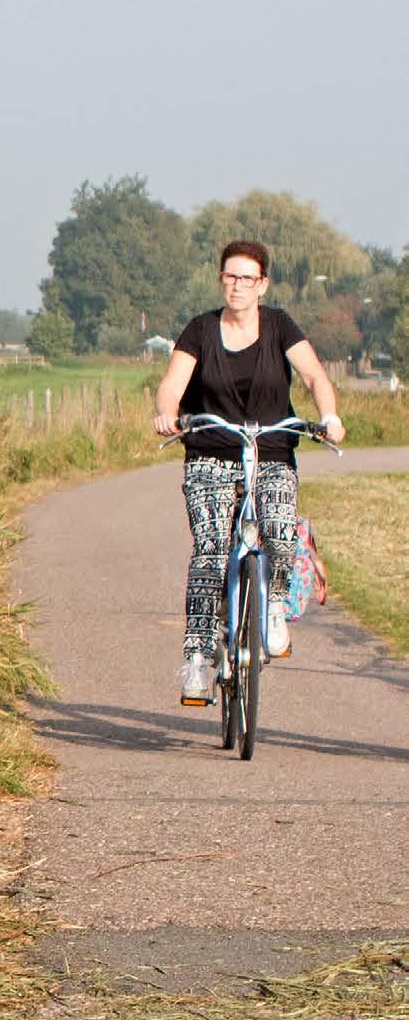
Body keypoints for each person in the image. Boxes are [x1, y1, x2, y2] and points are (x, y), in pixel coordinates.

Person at [154, 240, 345, 705]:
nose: (237, 286)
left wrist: (331, 416)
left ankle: (274, 604)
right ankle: (198, 660)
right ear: (221, 279)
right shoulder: (200, 330)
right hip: (209, 454)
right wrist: (167, 412)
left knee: (280, 532)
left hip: (272, 453)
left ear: (262, 283)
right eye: (229, 276)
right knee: (210, 554)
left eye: (247, 278)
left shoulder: (279, 326)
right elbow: (172, 385)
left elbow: (315, 377)